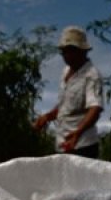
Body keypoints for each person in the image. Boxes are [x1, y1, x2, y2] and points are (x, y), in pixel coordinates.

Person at [33, 26, 104, 159]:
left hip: (82, 145)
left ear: (83, 51)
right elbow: (64, 105)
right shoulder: (66, 71)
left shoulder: (91, 75)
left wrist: (78, 132)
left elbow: (95, 109)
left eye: (71, 51)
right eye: (64, 52)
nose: (67, 56)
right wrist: (47, 117)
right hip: (63, 144)